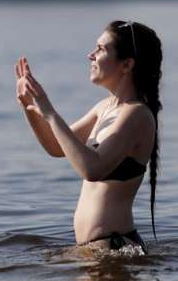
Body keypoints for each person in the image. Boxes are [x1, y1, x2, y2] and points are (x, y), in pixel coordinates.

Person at [15, 20, 161, 254]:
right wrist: (30, 107)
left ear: (127, 64)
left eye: (101, 49)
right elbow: (56, 147)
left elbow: (92, 169)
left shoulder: (137, 115)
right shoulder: (104, 108)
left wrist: (50, 112)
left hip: (115, 248)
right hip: (97, 250)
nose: (90, 55)